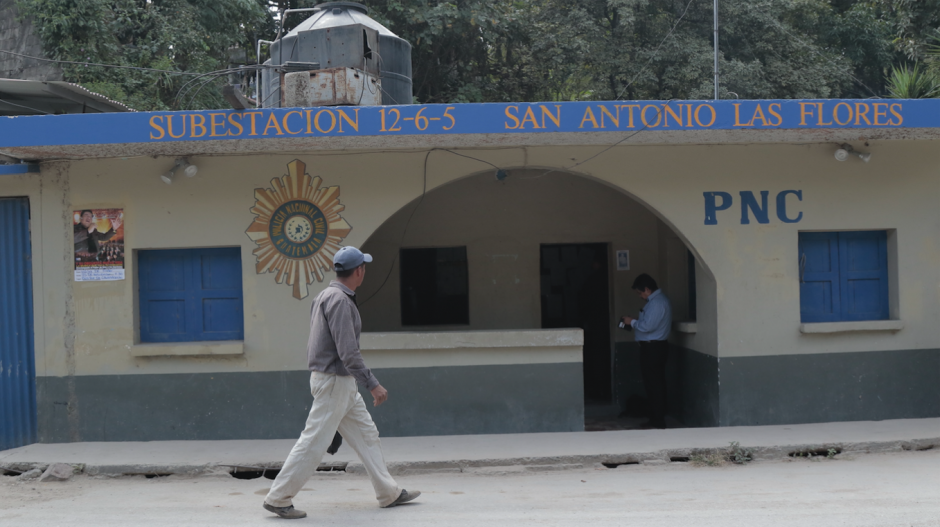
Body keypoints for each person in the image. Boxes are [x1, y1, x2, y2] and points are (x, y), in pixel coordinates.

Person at [263, 246, 420, 519]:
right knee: (313, 442)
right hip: (335, 382)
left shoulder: (326, 295)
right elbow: (348, 352)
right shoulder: (341, 302)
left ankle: (389, 492)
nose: (365, 271)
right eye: (364, 267)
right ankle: (278, 498)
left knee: (367, 435)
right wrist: (372, 383)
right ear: (358, 271)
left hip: (338, 382)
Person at [620, 273, 672, 429]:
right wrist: (636, 321)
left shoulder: (657, 303)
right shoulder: (655, 301)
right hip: (652, 347)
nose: (640, 296)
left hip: (653, 348)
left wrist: (632, 321)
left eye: (640, 292)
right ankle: (655, 417)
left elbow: (648, 327)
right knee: (653, 383)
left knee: (654, 384)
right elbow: (649, 322)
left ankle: (658, 420)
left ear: (647, 289)